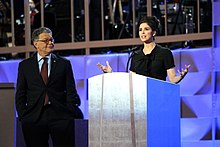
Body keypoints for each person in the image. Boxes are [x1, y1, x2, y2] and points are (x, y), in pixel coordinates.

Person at [15, 27, 83, 147]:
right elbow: (21, 93)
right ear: (36, 44)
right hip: (34, 118)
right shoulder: (25, 66)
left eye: (51, 40)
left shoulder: (64, 64)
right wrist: (23, 116)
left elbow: (71, 91)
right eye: (46, 40)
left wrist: (69, 111)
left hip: (61, 116)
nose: (50, 43)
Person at [97, 16, 190, 84]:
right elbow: (130, 82)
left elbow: (172, 79)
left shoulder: (165, 53)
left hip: (158, 96)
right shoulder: (135, 55)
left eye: (146, 29)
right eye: (140, 30)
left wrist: (181, 76)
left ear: (154, 32)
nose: (142, 32)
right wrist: (111, 74)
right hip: (139, 100)